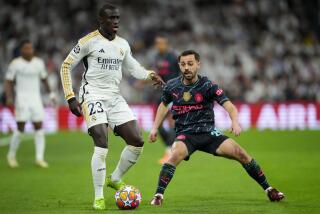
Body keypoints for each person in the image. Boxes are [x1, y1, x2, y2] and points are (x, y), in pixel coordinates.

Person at [60, 3, 164, 210]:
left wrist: (149, 74)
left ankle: (115, 178)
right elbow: (65, 66)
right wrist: (71, 97)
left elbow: (132, 66)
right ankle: (98, 196)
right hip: (92, 96)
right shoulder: (88, 41)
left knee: (136, 141)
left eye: (117, 18)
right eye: (111, 18)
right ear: (101, 20)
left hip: (115, 98)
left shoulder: (123, 44)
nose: (116, 22)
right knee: (101, 141)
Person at [148, 50, 285, 205]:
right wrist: (154, 128)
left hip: (209, 133)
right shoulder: (172, 86)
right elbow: (163, 106)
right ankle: (158, 195)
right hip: (185, 135)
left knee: (241, 153)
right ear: (179, 65)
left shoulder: (208, 85)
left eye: (190, 64)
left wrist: (235, 122)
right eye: (183, 64)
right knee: (175, 155)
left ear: (198, 65)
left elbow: (230, 106)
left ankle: (269, 189)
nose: (186, 67)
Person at [5, 39, 56, 168]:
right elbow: (8, 81)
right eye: (26, 48)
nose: (29, 50)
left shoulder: (38, 63)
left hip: (36, 99)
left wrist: (51, 94)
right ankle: (11, 155)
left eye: (30, 48)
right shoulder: (15, 64)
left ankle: (39, 159)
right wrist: (9, 96)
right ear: (21, 50)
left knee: (39, 126)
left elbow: (44, 79)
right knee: (20, 127)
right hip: (22, 99)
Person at [152, 35, 180, 164]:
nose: (159, 46)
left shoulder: (174, 57)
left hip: (174, 93)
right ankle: (172, 149)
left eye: (161, 43)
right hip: (163, 93)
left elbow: (182, 74)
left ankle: (170, 152)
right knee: (157, 122)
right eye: (157, 43)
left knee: (172, 122)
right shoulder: (157, 57)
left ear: (166, 44)